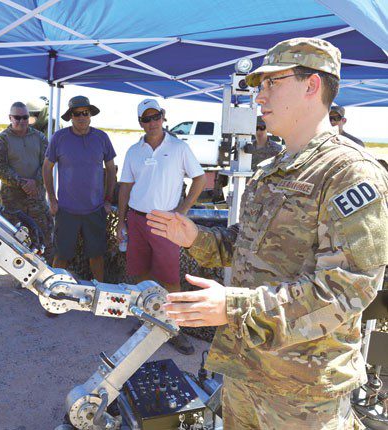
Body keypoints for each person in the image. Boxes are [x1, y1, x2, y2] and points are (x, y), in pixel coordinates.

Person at [148, 38, 388, 429]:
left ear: (312, 86)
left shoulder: (348, 173)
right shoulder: (272, 169)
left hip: (302, 393)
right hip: (246, 372)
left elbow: (349, 288)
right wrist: (196, 237)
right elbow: (249, 244)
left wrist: (235, 307)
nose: (259, 98)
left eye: (271, 83)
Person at [117, 98, 206, 355]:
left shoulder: (179, 147)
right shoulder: (134, 151)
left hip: (166, 220)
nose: (152, 122)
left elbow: (199, 178)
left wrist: (183, 210)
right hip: (136, 219)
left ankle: (173, 330)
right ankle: (148, 323)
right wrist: (121, 222)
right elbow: (125, 187)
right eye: (146, 118)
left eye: (156, 116)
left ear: (163, 117)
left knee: (169, 278)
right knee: (141, 275)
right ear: (140, 123)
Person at [43, 96, 116, 282]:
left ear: (90, 115)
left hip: (95, 210)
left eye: (86, 113)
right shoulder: (59, 138)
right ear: (71, 116)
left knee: (97, 255)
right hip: (66, 211)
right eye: (77, 114)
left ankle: (101, 293)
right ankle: (53, 295)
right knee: (62, 256)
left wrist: (108, 200)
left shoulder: (102, 138)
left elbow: (111, 169)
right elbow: (46, 168)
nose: (82, 117)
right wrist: (52, 198)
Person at [0, 101, 53, 263]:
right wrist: (22, 183)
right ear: (10, 118)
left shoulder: (39, 138)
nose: (21, 121)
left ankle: (47, 273)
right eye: (17, 117)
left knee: (44, 235)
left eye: (25, 117)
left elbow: (47, 163)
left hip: (36, 199)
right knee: (16, 239)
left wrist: (35, 182)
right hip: (13, 202)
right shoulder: (2, 140)